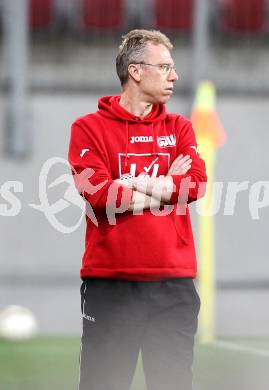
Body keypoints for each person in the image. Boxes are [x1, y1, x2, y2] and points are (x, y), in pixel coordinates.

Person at [68, 29, 207, 390]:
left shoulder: (179, 128)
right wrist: (165, 186)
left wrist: (127, 183)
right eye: (165, 67)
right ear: (136, 71)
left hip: (174, 288)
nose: (174, 76)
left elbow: (195, 185)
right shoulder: (88, 128)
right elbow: (100, 195)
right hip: (111, 286)